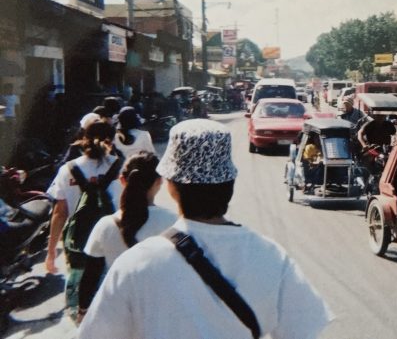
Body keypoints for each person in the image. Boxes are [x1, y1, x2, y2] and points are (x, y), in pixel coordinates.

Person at [78, 119, 332, 339]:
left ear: (171, 186)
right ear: (230, 182)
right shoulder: (272, 257)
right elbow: (304, 329)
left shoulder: (134, 264)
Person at [77, 152, 177, 323]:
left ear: (122, 180)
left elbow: (90, 275)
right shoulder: (172, 221)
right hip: (163, 309)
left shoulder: (105, 225)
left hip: (120, 312)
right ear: (159, 181)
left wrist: (83, 310)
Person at [45, 120, 124, 322]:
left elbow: (59, 213)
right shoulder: (121, 168)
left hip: (78, 245)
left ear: (83, 139)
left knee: (80, 306)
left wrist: (51, 251)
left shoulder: (68, 170)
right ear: (111, 140)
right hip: (113, 243)